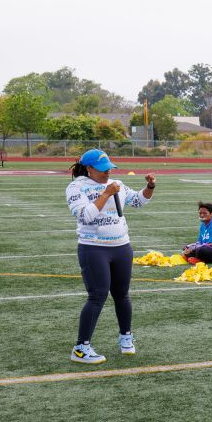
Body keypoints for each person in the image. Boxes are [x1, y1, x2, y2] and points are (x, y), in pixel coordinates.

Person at [65, 149, 156, 364]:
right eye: (103, 169)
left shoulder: (118, 184)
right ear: (89, 168)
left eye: (109, 169)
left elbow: (138, 201)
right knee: (97, 295)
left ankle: (126, 336)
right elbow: (85, 216)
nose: (108, 173)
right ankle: (80, 348)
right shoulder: (76, 187)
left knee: (122, 294)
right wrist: (106, 193)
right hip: (93, 248)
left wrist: (149, 187)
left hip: (121, 246)